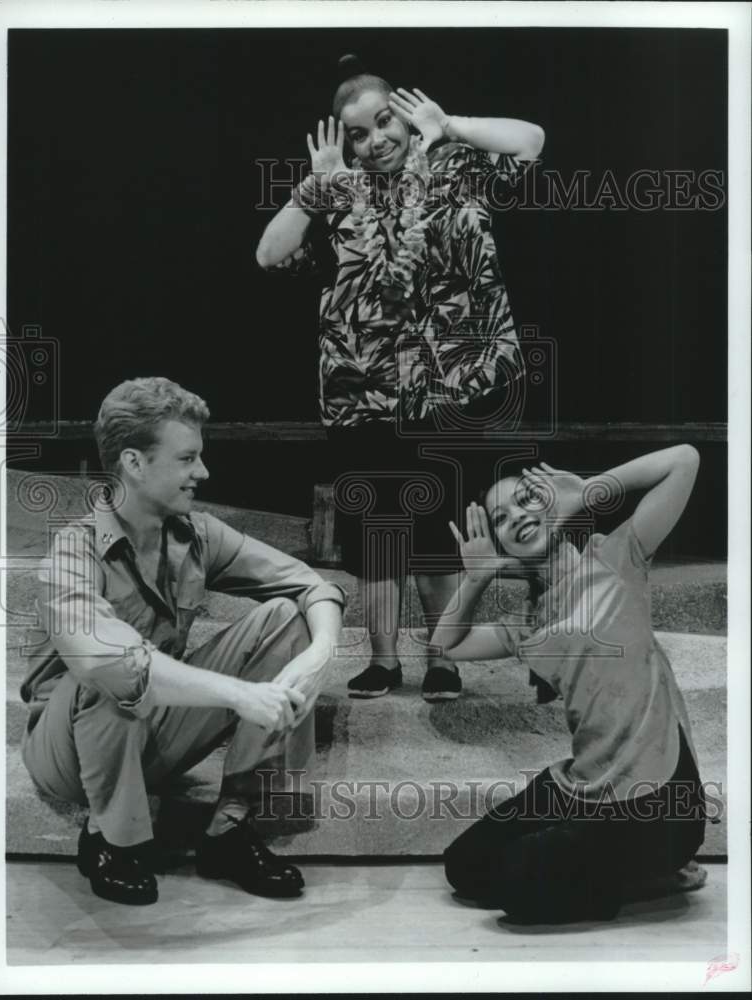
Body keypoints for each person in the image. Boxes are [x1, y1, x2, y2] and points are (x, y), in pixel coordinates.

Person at [256, 54, 544, 702]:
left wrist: (453, 125)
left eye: (384, 121)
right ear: (347, 143)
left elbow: (531, 142)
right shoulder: (337, 196)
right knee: (375, 531)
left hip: (448, 384)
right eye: (358, 132)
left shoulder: (454, 171)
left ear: (403, 116)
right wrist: (312, 187)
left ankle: (443, 657)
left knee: (440, 524)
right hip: (364, 390)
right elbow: (269, 254)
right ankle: (383, 661)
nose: (376, 138)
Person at [20, 377, 345, 906]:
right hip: (72, 752)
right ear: (134, 462)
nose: (203, 472)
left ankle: (229, 833)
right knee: (112, 669)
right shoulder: (72, 550)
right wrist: (238, 694)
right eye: (188, 458)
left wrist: (320, 653)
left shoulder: (195, 534)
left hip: (152, 730)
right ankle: (111, 840)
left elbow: (310, 585)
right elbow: (103, 659)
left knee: (286, 617)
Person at [432, 445, 707, 924]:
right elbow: (447, 645)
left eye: (525, 500)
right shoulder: (527, 622)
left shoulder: (618, 555)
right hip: (587, 782)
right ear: (499, 544)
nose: (515, 516)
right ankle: (614, 864)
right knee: (466, 866)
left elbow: (684, 459)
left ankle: (638, 871)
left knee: (515, 880)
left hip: (658, 801)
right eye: (500, 518)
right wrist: (476, 580)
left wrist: (587, 490)